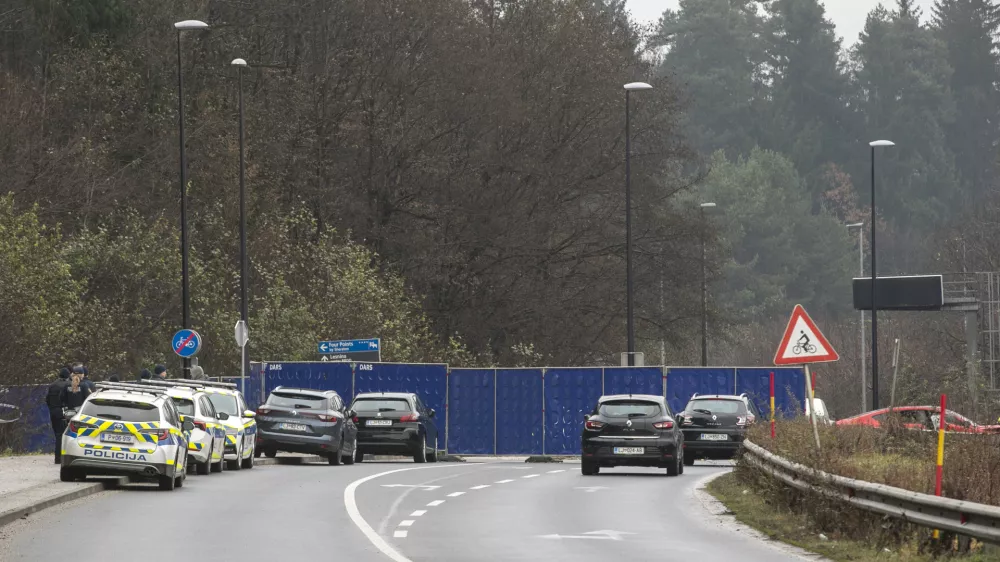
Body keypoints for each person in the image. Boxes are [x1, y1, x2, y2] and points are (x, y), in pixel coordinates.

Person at [45, 368, 71, 464]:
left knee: (57, 435)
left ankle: (57, 457)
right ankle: (60, 458)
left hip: (53, 412)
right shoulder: (67, 385)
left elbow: (47, 399)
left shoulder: (52, 385)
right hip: (62, 412)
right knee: (63, 435)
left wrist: (52, 409)